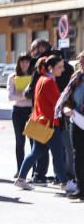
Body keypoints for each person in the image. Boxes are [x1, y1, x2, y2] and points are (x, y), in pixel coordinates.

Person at [14, 54, 70, 190]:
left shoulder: (41, 79)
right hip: (50, 123)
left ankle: (21, 179)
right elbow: (57, 103)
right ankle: (64, 182)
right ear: (50, 68)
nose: (62, 70)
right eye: (59, 67)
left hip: (41, 122)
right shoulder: (49, 82)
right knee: (58, 154)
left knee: (36, 152)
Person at [25, 39, 53, 183]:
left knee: (38, 147)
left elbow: (31, 92)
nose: (32, 54)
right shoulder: (61, 63)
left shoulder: (41, 67)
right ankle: (64, 177)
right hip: (57, 114)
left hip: (42, 114)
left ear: (41, 48)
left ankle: (37, 175)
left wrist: (26, 92)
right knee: (58, 149)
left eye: (33, 50)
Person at [58, 51, 84, 199]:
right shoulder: (76, 78)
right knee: (78, 155)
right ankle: (81, 188)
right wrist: (66, 108)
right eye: (81, 61)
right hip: (77, 119)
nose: (82, 64)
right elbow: (66, 97)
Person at [8, 53, 34, 176]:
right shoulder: (13, 77)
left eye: (27, 62)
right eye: (22, 62)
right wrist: (24, 95)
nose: (25, 64)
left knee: (33, 141)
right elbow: (10, 96)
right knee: (20, 142)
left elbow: (35, 97)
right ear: (19, 63)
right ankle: (20, 170)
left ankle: (35, 171)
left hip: (31, 111)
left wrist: (22, 96)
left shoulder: (34, 76)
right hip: (18, 111)